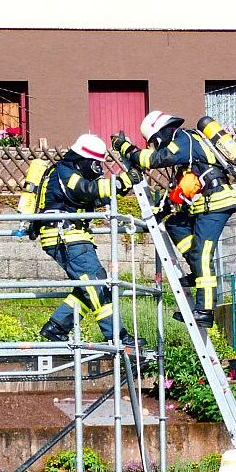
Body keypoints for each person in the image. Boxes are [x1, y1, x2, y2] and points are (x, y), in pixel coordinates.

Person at [111, 110, 236, 329]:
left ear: (160, 133)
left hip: (217, 205)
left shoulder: (183, 141)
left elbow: (154, 160)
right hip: (203, 206)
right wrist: (160, 212)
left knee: (203, 254)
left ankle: (205, 311)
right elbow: (180, 190)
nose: (155, 145)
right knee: (175, 223)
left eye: (153, 141)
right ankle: (196, 270)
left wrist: (126, 148)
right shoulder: (187, 150)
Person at [33, 133, 144, 348]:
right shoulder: (65, 172)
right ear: (83, 159)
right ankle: (117, 336)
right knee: (99, 286)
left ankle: (56, 327)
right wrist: (121, 181)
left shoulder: (71, 172)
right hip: (66, 238)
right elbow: (85, 190)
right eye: (95, 164)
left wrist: (123, 184)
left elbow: (98, 196)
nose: (98, 170)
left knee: (87, 288)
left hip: (73, 237)